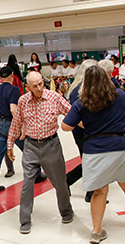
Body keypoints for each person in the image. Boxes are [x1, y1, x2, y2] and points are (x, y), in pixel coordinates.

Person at [62, 65, 125, 244]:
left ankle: (96, 231)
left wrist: (86, 124)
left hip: (95, 150)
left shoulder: (81, 103)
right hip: (120, 147)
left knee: (100, 191)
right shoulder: (120, 96)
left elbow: (65, 126)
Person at [7, 71, 74, 234]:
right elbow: (16, 123)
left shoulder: (54, 97)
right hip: (30, 146)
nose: (39, 88)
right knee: (27, 183)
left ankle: (66, 211)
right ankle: (24, 220)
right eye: (35, 86)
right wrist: (9, 144)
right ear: (27, 87)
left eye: (41, 84)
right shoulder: (23, 101)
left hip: (51, 145)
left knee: (60, 181)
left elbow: (72, 112)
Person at [0, 66, 45, 194]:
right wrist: (22, 125)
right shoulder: (14, 89)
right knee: (28, 149)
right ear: (12, 74)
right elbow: (13, 109)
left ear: (1, 77)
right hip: (11, 123)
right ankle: (37, 175)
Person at [65, 59, 98, 198]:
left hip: (90, 130)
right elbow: (74, 115)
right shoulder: (77, 90)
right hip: (82, 131)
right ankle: (89, 191)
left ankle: (91, 191)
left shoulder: (90, 87)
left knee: (91, 160)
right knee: (90, 160)